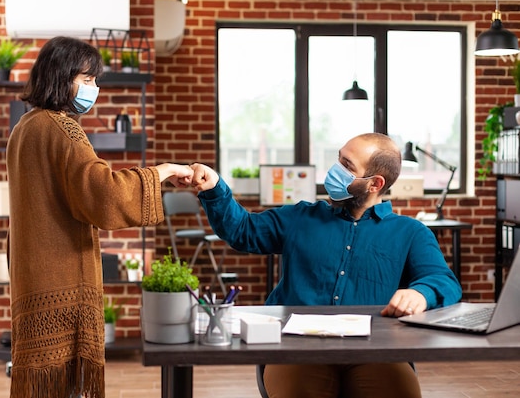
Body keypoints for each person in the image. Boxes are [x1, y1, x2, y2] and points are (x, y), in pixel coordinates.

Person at [190, 132, 462, 398]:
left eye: (347, 165)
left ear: (375, 183)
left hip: (377, 352)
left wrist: (421, 293)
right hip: (296, 349)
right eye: (339, 159)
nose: (335, 170)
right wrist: (214, 187)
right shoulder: (300, 217)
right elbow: (243, 230)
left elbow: (444, 281)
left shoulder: (410, 232)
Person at [5, 36, 193, 398]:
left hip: (31, 278)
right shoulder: (64, 129)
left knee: (41, 385)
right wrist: (164, 171)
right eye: (87, 79)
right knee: (66, 383)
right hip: (62, 278)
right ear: (61, 77)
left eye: (96, 80)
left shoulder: (24, 128)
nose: (95, 88)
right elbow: (102, 193)